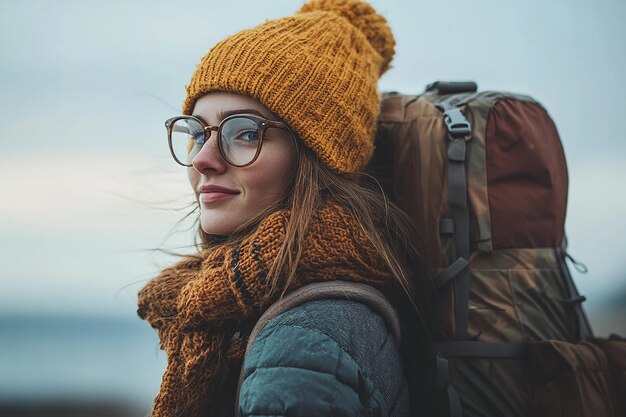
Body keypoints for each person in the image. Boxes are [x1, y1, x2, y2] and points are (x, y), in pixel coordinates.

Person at [137, 1, 427, 416]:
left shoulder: (303, 345)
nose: (203, 158)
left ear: (315, 159)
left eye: (244, 133)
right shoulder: (253, 308)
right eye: (198, 132)